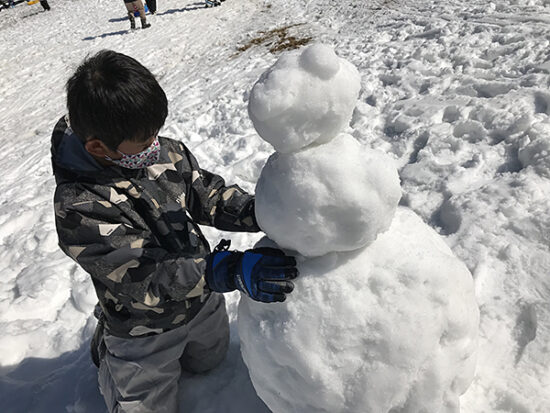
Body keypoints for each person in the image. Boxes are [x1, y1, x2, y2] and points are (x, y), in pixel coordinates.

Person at [51, 50, 298, 413]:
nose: (154, 147)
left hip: (199, 299)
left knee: (210, 361)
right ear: (97, 147)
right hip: (142, 326)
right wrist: (224, 270)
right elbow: (144, 276)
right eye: (143, 141)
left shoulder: (160, 153)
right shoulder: (79, 206)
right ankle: (108, 356)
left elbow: (206, 195)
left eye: (156, 134)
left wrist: (263, 211)